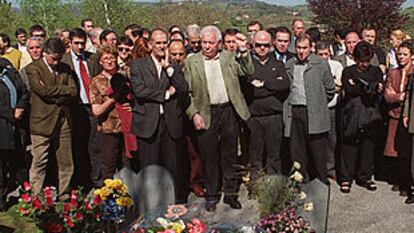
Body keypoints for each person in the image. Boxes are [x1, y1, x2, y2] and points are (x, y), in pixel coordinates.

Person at [184, 25, 253, 211]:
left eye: (210, 43)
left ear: (219, 43)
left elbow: (248, 71)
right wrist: (194, 114)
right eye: (204, 42)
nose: (206, 46)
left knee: (229, 154)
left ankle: (231, 194)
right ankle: (212, 195)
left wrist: (244, 50)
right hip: (206, 112)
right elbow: (187, 93)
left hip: (228, 111)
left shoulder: (228, 58)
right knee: (208, 155)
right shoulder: (192, 62)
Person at [130, 28, 190, 204]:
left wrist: (169, 69)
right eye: (158, 43)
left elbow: (183, 88)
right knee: (150, 166)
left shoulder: (173, 65)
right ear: (150, 45)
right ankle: (152, 203)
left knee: (173, 166)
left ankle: (175, 202)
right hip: (148, 123)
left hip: (170, 122)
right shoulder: (138, 65)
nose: (162, 46)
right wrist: (165, 94)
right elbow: (140, 91)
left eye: (165, 43)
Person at [26, 38, 77, 197]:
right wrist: (64, 90)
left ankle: (64, 194)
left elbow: (74, 91)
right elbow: (42, 91)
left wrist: (58, 92)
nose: (56, 62)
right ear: (45, 53)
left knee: (66, 161)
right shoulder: (33, 69)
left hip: (64, 120)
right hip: (42, 122)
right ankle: (35, 197)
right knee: (39, 161)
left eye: (59, 58)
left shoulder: (66, 68)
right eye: (53, 58)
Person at [284, 34, 335, 183]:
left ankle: (321, 181)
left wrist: (318, 104)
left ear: (311, 48)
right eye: (299, 48)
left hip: (315, 113)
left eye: (305, 48)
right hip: (295, 112)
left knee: (318, 151)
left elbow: (330, 89)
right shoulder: (290, 64)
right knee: (297, 151)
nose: (301, 51)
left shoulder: (320, 64)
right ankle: (300, 182)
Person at [338, 41, 384, 193]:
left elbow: (376, 90)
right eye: (361, 60)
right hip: (352, 114)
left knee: (368, 146)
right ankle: (346, 178)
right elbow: (349, 89)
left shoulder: (376, 71)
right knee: (349, 146)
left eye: (367, 60)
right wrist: (367, 87)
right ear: (355, 58)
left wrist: (361, 86)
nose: (364, 64)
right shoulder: (348, 71)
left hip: (370, 114)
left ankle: (365, 176)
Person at [245, 31, 289, 185]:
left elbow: (284, 85)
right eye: (258, 45)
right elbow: (248, 90)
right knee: (255, 155)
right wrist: (272, 85)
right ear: (253, 45)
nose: (262, 48)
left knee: (274, 155)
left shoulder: (278, 64)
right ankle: (256, 186)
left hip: (274, 116)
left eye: (266, 45)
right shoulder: (247, 65)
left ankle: (273, 186)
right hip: (254, 117)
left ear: (271, 46)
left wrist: (262, 84)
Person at [61, 28, 102, 190]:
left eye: (82, 43)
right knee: (78, 146)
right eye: (76, 43)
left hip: (92, 107)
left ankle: (96, 179)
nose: (80, 47)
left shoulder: (92, 59)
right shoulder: (64, 62)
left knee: (95, 145)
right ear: (70, 43)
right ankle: (82, 182)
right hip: (75, 108)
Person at [90, 45, 130, 179]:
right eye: (105, 58)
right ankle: (110, 196)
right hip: (109, 129)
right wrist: (113, 98)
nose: (109, 61)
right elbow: (96, 110)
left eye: (112, 58)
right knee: (108, 165)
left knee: (127, 164)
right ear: (100, 62)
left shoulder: (126, 75)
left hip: (127, 128)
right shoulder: (96, 81)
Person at [384, 41, 413, 198]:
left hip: (408, 116)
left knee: (407, 150)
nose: (401, 57)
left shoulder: (412, 72)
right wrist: (398, 96)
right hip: (395, 114)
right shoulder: (393, 73)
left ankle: (406, 182)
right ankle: (398, 178)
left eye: (405, 54)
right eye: (399, 54)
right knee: (395, 149)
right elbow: (388, 96)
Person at [0, 58, 28, 210]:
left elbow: (23, 91)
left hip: (17, 127)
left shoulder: (9, 71)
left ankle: (26, 195)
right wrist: (11, 113)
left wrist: (20, 107)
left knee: (19, 163)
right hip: (3, 125)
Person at [315, 40, 344, 180]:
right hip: (317, 108)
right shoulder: (313, 67)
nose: (324, 57)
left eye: (326, 54)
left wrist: (331, 87)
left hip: (332, 107)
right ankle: (318, 169)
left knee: (332, 139)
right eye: (320, 54)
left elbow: (340, 85)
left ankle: (330, 168)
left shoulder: (336, 66)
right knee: (318, 140)